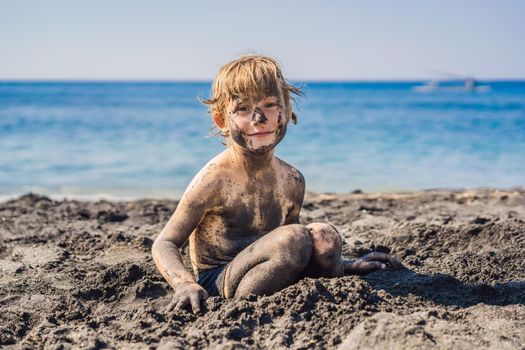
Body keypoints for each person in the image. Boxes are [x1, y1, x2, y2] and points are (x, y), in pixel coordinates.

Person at [151, 55, 403, 314]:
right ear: (221, 121)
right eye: (243, 109)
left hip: (274, 268)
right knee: (293, 238)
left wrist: (346, 264)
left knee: (324, 236)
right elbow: (165, 243)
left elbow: (300, 245)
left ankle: (321, 287)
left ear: (288, 111)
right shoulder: (214, 179)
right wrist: (184, 284)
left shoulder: (292, 179)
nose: (259, 118)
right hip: (221, 281)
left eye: (270, 105)